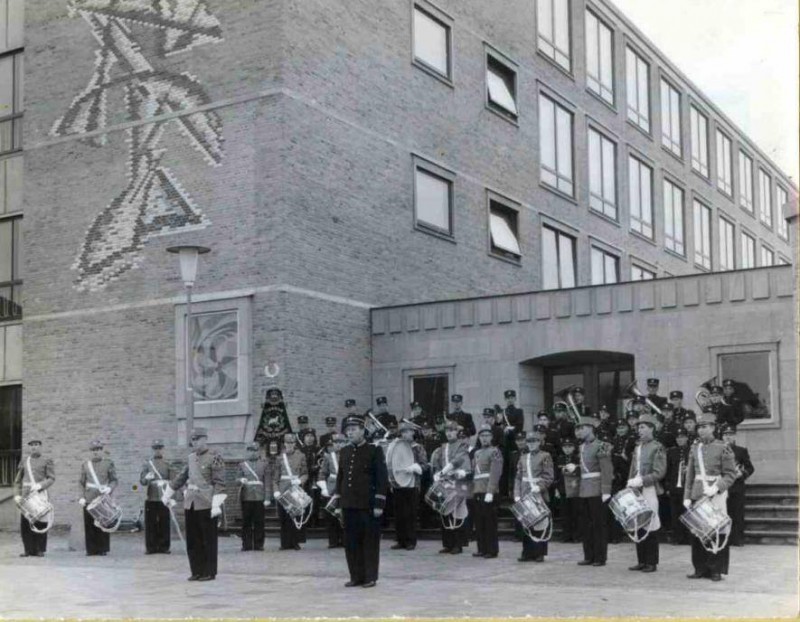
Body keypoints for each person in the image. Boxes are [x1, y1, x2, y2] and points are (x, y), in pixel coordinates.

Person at [332, 414, 388, 588]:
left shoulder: (374, 450)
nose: (350, 433)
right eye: (348, 430)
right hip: (349, 504)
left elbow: (381, 479)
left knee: (369, 542)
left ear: (363, 430)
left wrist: (379, 503)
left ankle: (370, 577)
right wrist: (338, 503)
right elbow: (341, 479)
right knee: (351, 542)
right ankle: (356, 576)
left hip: (368, 505)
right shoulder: (345, 451)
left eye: (354, 429)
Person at [162, 427, 225, 581]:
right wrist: (168, 493)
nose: (195, 442)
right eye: (193, 439)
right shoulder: (190, 458)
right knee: (193, 539)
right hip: (190, 503)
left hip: (207, 504)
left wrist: (216, 504)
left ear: (205, 439)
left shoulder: (214, 457)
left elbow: (220, 483)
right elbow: (181, 477)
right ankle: (196, 570)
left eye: (198, 439)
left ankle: (209, 572)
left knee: (207, 540)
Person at [683, 412, 737, 581]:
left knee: (717, 530)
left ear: (713, 427)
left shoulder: (723, 447)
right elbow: (690, 475)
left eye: (704, 427)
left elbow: (730, 474)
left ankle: (716, 569)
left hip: (715, 495)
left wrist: (717, 488)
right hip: (698, 493)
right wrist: (687, 496)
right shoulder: (695, 448)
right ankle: (699, 568)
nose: (701, 431)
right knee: (698, 531)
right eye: (699, 427)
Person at [625, 414, 667, 573]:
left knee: (650, 524)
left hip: (649, 488)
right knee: (638, 524)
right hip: (636, 488)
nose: (639, 430)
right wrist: (630, 483)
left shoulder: (657, 447)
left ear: (652, 428)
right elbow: (633, 469)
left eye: (643, 427)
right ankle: (641, 560)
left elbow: (659, 472)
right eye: (638, 427)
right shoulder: (638, 447)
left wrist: (642, 480)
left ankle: (651, 562)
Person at [575, 417, 613, 567]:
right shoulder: (581, 447)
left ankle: (600, 557)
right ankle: (588, 555)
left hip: (597, 489)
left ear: (591, 428)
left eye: (582, 428)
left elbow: (607, 469)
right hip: (584, 489)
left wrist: (606, 490)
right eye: (578, 428)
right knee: (586, 524)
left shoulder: (601, 446)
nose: (579, 431)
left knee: (599, 525)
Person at [430, 420, 472, 554]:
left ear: (457, 432)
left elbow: (459, 460)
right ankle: (447, 543)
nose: (449, 433)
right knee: (444, 510)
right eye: (447, 431)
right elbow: (437, 462)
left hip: (458, 481)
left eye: (452, 430)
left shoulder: (462, 445)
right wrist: (437, 473)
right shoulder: (443, 447)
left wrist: (458, 472)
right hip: (445, 482)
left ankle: (458, 544)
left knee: (457, 512)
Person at [514, 429, 554, 562]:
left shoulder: (545, 456)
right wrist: (517, 494)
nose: (531, 444)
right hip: (525, 493)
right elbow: (518, 477)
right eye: (529, 441)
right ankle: (527, 552)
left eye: (534, 441)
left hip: (538, 494)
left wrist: (540, 487)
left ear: (539, 442)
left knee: (540, 523)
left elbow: (549, 476)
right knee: (526, 524)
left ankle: (539, 552)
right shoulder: (523, 457)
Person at [389, 420, 428, 550]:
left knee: (410, 513)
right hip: (399, 484)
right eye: (403, 432)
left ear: (412, 432)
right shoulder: (397, 446)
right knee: (399, 513)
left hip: (413, 484)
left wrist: (415, 467)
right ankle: (401, 540)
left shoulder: (418, 447)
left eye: (408, 431)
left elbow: (425, 465)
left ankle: (411, 541)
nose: (405, 434)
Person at [13, 439, 55, 557]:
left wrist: (40, 485)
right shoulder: (24, 461)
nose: (34, 447)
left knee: (41, 521)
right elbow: (17, 481)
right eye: (31, 445)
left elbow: (51, 478)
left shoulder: (47, 461)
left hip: (40, 495)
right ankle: (28, 549)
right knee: (26, 523)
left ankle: (40, 549)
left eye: (36, 445)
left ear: (40, 447)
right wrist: (17, 494)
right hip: (26, 495)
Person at [79, 440, 118, 557]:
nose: (96, 452)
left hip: (103, 498)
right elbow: (81, 482)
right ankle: (91, 549)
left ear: (102, 451)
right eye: (94, 450)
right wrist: (81, 496)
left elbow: (114, 480)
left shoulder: (108, 463)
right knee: (89, 523)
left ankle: (102, 548)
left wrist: (109, 489)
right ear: (91, 452)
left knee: (104, 522)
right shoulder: (85, 465)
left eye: (98, 450)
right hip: (89, 497)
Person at [271, 433, 308, 550]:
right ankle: (284, 543)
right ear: (284, 444)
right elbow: (275, 478)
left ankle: (295, 542)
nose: (289, 445)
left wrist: (299, 480)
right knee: (283, 517)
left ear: (295, 444)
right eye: (287, 443)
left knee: (295, 516)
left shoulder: (301, 456)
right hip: (283, 489)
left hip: (295, 489)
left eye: (292, 443)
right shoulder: (279, 458)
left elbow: (305, 473)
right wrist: (276, 491)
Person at [470, 424, 503, 558]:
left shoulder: (495, 451)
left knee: (490, 522)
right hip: (478, 490)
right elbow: (474, 473)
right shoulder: (477, 453)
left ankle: (491, 550)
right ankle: (482, 548)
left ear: (491, 437)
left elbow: (495, 473)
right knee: (479, 521)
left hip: (489, 491)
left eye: (487, 436)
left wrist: (490, 491)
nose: (484, 438)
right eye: (482, 436)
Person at [139, 439, 174, 555]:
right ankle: (151, 547)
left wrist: (165, 483)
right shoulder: (147, 464)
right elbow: (142, 481)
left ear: (162, 449)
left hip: (164, 495)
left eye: (159, 448)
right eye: (155, 448)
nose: (157, 450)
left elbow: (174, 480)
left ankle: (164, 547)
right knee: (151, 523)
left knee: (164, 522)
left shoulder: (168, 463)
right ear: (152, 450)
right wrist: (147, 478)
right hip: (152, 496)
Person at [722, 425, 754, 546]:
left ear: (734, 436)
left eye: (730, 434)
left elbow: (750, 468)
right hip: (723, 487)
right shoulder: (719, 450)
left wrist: (742, 473)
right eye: (725, 435)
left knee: (738, 514)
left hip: (737, 487)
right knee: (724, 513)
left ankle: (738, 539)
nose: (728, 437)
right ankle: (725, 539)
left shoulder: (741, 450)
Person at [237, 442, 273, 552]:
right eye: (250, 450)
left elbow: (267, 482)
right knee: (246, 522)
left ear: (258, 452)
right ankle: (246, 544)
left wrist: (267, 498)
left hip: (259, 496)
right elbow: (236, 479)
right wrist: (240, 480)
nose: (253, 453)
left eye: (255, 450)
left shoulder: (264, 464)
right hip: (246, 496)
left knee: (259, 522)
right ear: (247, 451)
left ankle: (258, 544)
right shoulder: (242, 465)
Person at [318, 432, 347, 548]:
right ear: (333, 444)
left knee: (344, 515)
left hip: (345, 489)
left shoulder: (349, 455)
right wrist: (324, 488)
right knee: (331, 516)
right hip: (331, 489)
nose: (339, 445)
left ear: (345, 443)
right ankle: (333, 541)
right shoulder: (328, 457)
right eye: (336, 443)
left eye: (341, 442)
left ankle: (345, 540)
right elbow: (322, 474)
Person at [666, 428, 692, 545]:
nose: (680, 439)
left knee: (687, 512)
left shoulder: (692, 450)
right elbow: (668, 470)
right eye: (678, 437)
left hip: (687, 487)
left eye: (682, 437)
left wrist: (688, 470)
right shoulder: (671, 452)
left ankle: (687, 537)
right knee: (675, 513)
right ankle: (677, 537)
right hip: (674, 487)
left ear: (687, 438)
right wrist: (667, 486)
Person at [608, 420, 631, 544]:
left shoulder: (630, 440)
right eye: (618, 428)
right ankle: (612, 534)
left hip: (623, 480)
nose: (620, 430)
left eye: (623, 428)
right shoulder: (614, 443)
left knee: (621, 507)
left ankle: (618, 534)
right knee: (611, 508)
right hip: (612, 480)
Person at [554, 437, 581, 543]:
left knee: (576, 513)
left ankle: (576, 536)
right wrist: (556, 488)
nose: (567, 449)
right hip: (563, 489)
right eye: (565, 447)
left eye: (569, 447)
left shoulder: (578, 459)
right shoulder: (559, 459)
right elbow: (556, 475)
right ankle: (566, 535)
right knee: (565, 514)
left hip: (575, 489)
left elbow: (580, 473)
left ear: (574, 448)